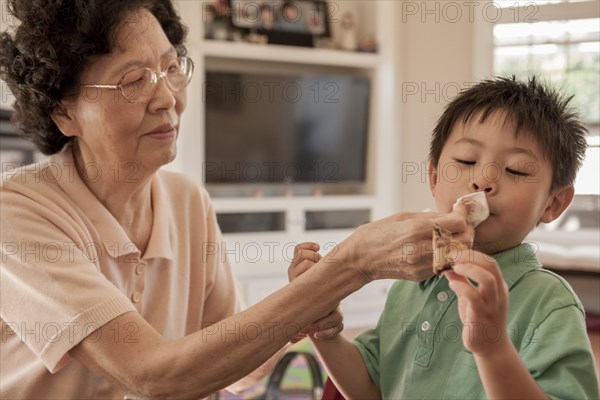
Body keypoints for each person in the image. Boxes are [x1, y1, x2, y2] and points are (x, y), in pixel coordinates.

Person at [0, 1, 472, 398]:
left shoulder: (187, 202)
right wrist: (348, 267)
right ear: (64, 112)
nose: (167, 98)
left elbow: (239, 366)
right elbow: (151, 374)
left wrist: (305, 304)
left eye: (170, 68)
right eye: (133, 81)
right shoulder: (17, 214)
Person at [291, 77, 600, 399]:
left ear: (553, 204)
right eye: (467, 161)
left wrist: (492, 350)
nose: (483, 180)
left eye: (516, 170)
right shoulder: (409, 283)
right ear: (435, 178)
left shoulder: (549, 303)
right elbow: (371, 389)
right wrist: (323, 330)